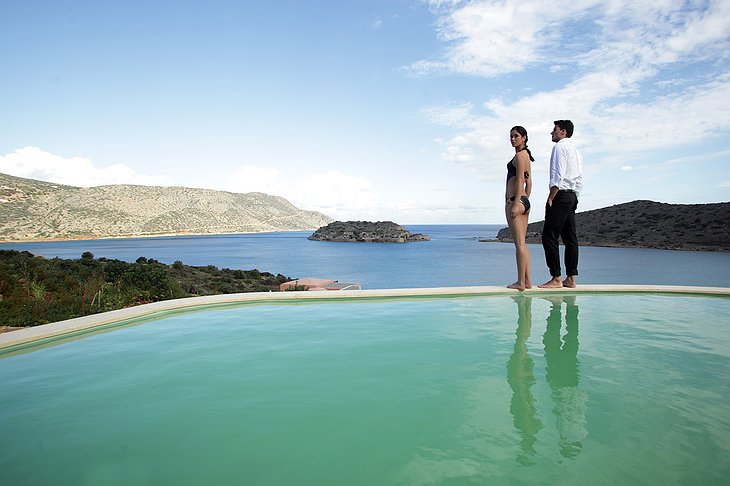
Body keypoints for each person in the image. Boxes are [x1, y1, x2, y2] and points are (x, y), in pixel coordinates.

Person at [539, 120, 583, 288]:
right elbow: (578, 178)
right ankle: (570, 278)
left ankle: (556, 278)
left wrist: (551, 196)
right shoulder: (576, 151)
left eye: (554, 130)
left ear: (563, 131)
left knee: (549, 236)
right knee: (570, 237)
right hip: (572, 196)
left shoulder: (560, 147)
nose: (552, 133)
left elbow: (559, 173)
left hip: (561, 195)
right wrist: (574, 196)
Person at [505, 126, 533, 290]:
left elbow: (521, 179)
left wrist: (516, 203)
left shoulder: (519, 155)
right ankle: (527, 280)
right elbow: (529, 182)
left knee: (519, 244)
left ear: (524, 137)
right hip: (524, 201)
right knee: (523, 244)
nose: (513, 139)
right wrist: (524, 199)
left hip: (515, 201)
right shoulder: (526, 155)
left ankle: (521, 282)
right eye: (511, 136)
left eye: (516, 136)